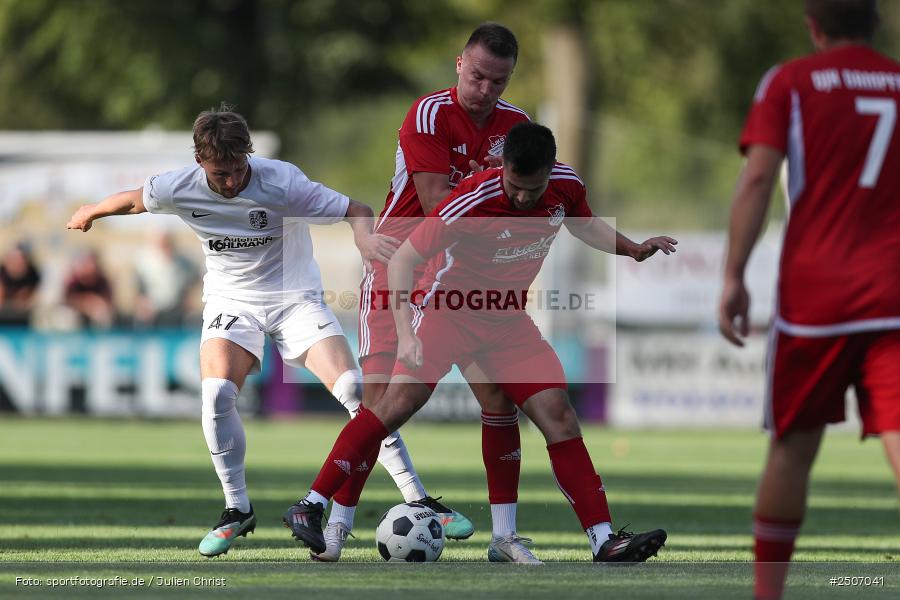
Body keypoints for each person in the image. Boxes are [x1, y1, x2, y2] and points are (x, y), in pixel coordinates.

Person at [67, 104, 447, 560]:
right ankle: (236, 509)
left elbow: (357, 208)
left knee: (355, 391)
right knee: (216, 397)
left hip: (295, 298)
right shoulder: (179, 186)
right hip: (232, 303)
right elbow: (132, 200)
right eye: (219, 173)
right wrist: (91, 210)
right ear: (199, 162)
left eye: (237, 170)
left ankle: (417, 497)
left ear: (249, 154)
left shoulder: (282, 181)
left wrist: (363, 237)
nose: (230, 182)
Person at [285, 122, 675, 563]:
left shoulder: (566, 187)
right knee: (391, 409)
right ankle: (311, 505)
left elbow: (585, 225)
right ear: (502, 167)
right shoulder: (472, 198)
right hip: (446, 313)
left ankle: (599, 540)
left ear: (551, 170)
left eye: (534, 188)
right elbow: (406, 259)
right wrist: (407, 331)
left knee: (558, 416)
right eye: (515, 185)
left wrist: (633, 248)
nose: (523, 197)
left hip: (508, 322)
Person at [717, 1, 900, 598]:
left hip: (817, 298)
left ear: (813, 25)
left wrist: (733, 275)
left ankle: (768, 595)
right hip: (895, 292)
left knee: (792, 451)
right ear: (876, 24)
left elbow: (758, 179)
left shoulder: (790, 82)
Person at [344, 21, 531, 562]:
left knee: (497, 398)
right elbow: (436, 204)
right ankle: (333, 522)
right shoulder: (428, 114)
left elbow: (531, 194)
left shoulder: (517, 125)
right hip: (401, 260)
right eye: (478, 76)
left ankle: (504, 537)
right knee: (379, 399)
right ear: (459, 64)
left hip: (465, 273)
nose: (486, 90)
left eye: (499, 81)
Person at [133, 231, 198, 327]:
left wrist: (188, 299)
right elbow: (139, 289)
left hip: (177, 310)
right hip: (152, 310)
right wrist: (143, 304)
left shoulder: (183, 262)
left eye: (166, 244)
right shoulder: (143, 263)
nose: (164, 248)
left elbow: (193, 280)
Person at [63, 251, 116, 329]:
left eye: (89, 263)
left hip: (96, 312)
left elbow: (109, 302)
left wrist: (96, 304)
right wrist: (85, 303)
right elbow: (66, 300)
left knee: (102, 315)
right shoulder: (74, 281)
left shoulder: (102, 281)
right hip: (76, 311)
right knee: (66, 316)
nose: (87, 266)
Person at [0, 242, 41, 326]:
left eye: (19, 259)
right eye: (13, 259)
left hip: (24, 313)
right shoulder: (2, 272)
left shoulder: (33, 273)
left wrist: (27, 302)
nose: (16, 263)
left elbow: (35, 294)